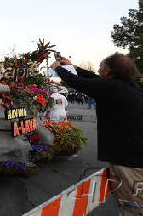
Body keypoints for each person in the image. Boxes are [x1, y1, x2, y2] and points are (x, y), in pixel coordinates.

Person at [51, 53, 143, 215]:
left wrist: (60, 69)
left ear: (109, 71)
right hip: (134, 156)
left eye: (102, 66)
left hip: (129, 162)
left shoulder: (111, 88)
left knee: (132, 207)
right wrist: (74, 67)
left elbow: (78, 83)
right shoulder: (129, 86)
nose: (98, 69)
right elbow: (92, 77)